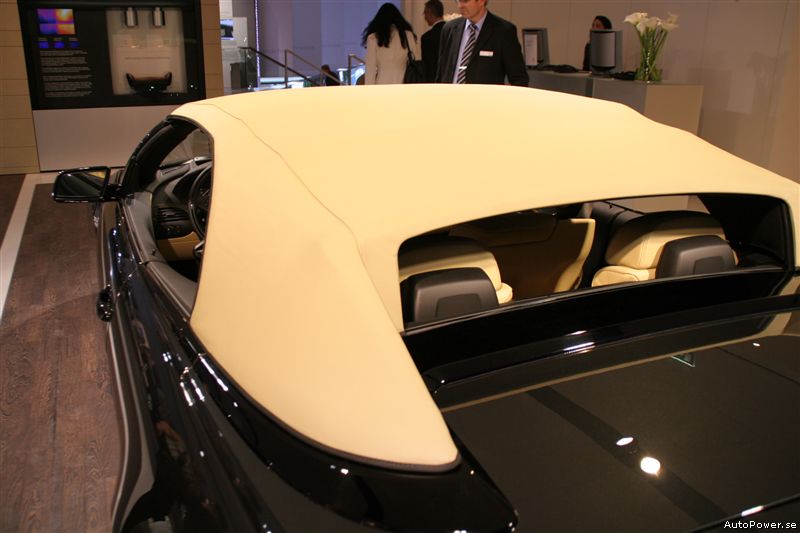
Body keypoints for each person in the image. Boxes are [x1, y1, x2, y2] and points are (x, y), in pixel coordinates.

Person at [435, 0, 528, 86]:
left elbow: (519, 79)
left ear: (481, 1)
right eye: (458, 1)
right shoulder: (449, 29)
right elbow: (441, 73)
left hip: (484, 97)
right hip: (450, 96)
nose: (460, 6)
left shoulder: (503, 31)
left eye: (465, 1)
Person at [362, 2, 419, 85]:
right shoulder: (408, 35)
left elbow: (370, 68)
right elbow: (416, 61)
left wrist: (369, 88)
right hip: (404, 84)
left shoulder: (373, 38)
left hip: (382, 84)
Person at [421, 0, 445, 83]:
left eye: (425, 13)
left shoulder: (427, 37)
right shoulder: (454, 32)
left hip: (433, 81)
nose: (424, 17)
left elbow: (428, 66)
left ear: (430, 13)